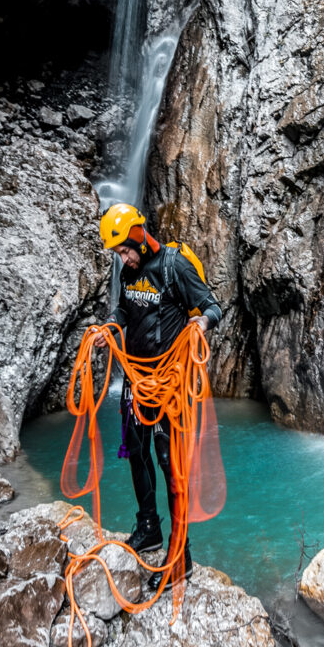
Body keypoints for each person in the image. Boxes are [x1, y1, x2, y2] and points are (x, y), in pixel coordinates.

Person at [95, 203, 222, 591]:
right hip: (136, 382)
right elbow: (124, 309)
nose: (123, 259)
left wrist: (199, 322)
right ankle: (148, 526)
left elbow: (213, 306)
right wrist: (110, 327)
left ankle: (179, 557)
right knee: (136, 451)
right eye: (118, 254)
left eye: (124, 250)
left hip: (170, 385)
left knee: (171, 465)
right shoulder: (128, 270)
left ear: (137, 235)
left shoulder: (173, 266)